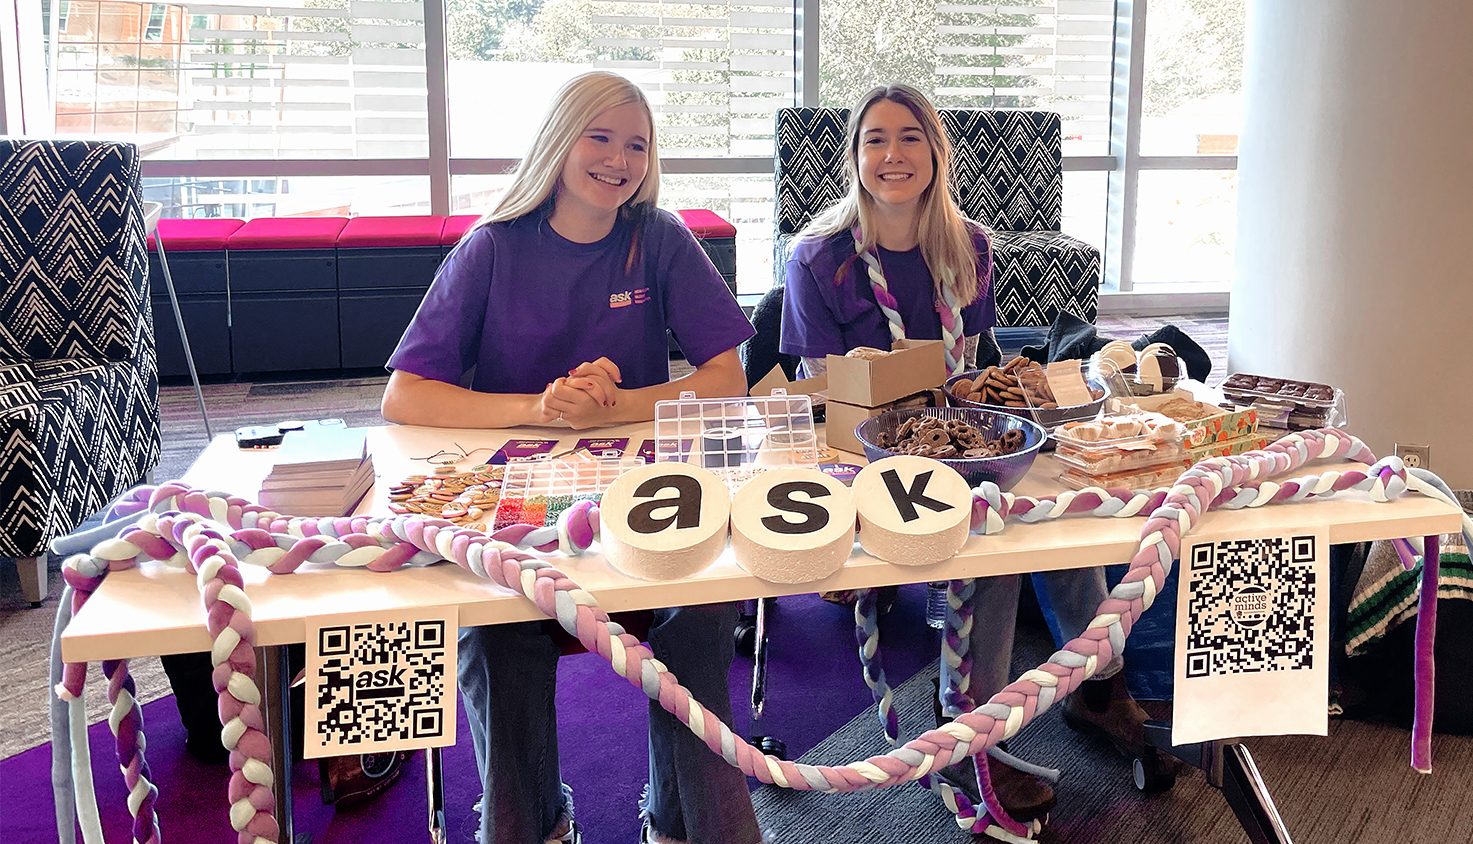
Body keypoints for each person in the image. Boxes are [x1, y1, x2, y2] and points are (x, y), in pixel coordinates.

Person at [382, 71, 763, 844]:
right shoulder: (490, 248)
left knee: (702, 608)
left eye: (637, 144)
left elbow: (728, 376)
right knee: (498, 633)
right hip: (519, 507)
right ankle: (531, 826)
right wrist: (542, 409)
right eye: (601, 137)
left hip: (645, 500)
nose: (619, 159)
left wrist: (615, 404)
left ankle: (682, 823)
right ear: (559, 140)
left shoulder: (659, 238)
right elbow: (406, 397)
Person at [779, 83, 1151, 825]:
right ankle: (976, 736)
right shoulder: (819, 257)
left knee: (1048, 507)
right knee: (995, 532)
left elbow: (968, 369)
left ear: (936, 152)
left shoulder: (970, 246)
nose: (892, 154)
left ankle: (1097, 686)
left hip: (956, 433)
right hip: (865, 450)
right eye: (875, 139)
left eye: (910, 137)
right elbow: (812, 391)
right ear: (854, 156)